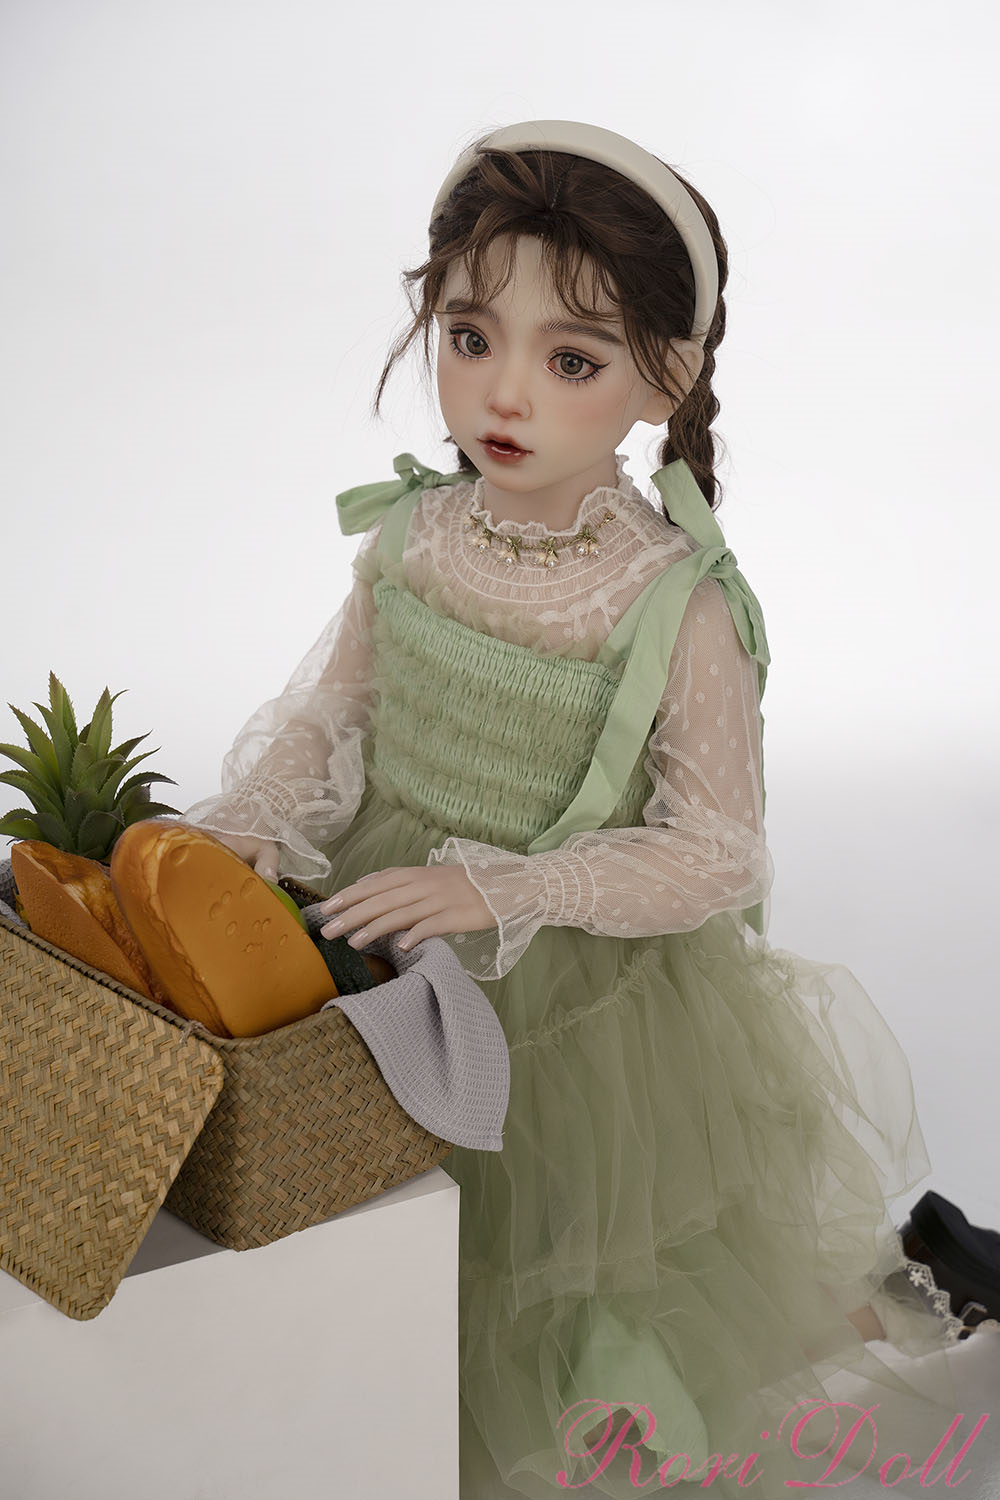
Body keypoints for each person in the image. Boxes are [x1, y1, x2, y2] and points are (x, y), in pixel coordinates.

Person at [180, 121, 997, 1498]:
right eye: (469, 337)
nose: (503, 393)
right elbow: (337, 707)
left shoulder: (667, 600)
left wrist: (509, 887)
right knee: (376, 1225)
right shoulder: (413, 535)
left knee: (565, 1278)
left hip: (568, 986)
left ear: (662, 379)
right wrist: (264, 807)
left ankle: (914, 1301)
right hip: (384, 929)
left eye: (572, 361)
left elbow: (717, 852)